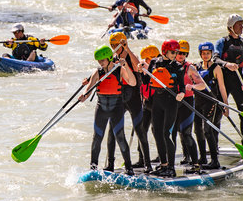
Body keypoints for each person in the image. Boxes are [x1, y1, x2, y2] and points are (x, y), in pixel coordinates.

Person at [79, 45, 137, 175]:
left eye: (102, 60)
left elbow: (133, 82)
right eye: (99, 60)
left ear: (109, 58)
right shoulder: (97, 72)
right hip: (101, 107)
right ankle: (93, 168)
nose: (100, 63)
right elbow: (89, 88)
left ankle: (129, 168)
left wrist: (125, 66)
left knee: (120, 137)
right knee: (97, 138)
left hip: (117, 107)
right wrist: (84, 96)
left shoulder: (119, 69)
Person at [138, 40, 187, 178]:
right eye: (172, 52)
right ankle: (163, 164)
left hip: (171, 102)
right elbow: (146, 81)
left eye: (176, 52)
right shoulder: (154, 62)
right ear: (165, 51)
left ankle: (171, 168)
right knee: (157, 133)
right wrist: (141, 71)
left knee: (166, 134)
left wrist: (181, 94)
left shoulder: (178, 66)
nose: (175, 55)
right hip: (157, 102)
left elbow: (182, 86)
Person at [104, 32, 151, 172]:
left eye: (116, 45)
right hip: (119, 97)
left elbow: (137, 67)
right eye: (112, 45)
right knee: (112, 131)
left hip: (134, 97)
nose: (114, 47)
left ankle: (147, 164)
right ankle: (110, 164)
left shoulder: (131, 55)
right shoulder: (113, 58)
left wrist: (127, 49)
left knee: (139, 130)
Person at [213, 14, 243, 141]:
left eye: (242, 24)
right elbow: (215, 59)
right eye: (239, 24)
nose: (242, 27)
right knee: (217, 113)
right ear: (231, 27)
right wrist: (227, 64)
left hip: (238, 83)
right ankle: (214, 145)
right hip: (222, 82)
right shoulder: (222, 42)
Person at [171, 40, 208, 169]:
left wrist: (192, 86)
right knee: (172, 133)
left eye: (184, 53)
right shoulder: (169, 66)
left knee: (186, 133)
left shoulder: (190, 68)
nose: (181, 55)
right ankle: (171, 164)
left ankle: (196, 163)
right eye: (179, 53)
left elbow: (202, 85)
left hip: (187, 102)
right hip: (173, 102)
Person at [194, 42, 229, 171]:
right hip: (197, 102)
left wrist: (226, 105)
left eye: (208, 53)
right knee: (197, 131)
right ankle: (203, 158)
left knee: (207, 131)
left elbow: (222, 87)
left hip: (211, 102)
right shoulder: (196, 67)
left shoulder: (216, 68)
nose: (205, 55)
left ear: (211, 54)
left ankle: (215, 161)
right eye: (203, 53)